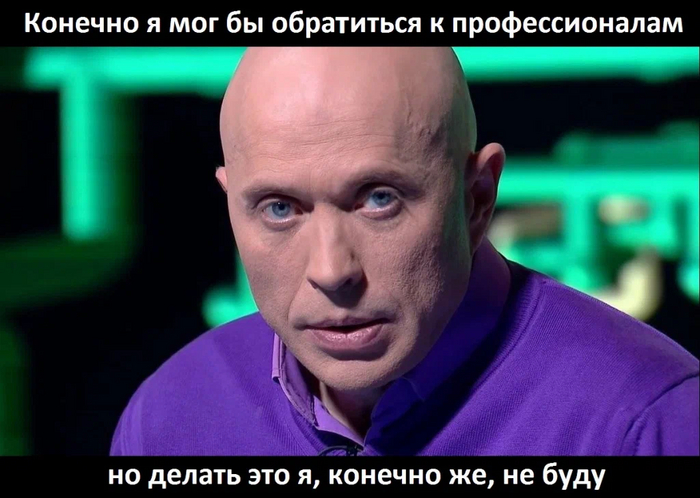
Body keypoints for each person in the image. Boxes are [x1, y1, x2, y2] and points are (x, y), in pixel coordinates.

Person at [110, 47, 699, 456]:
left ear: (477, 197)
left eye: (378, 199)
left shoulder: (645, 420)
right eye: (279, 209)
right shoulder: (170, 418)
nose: (331, 271)